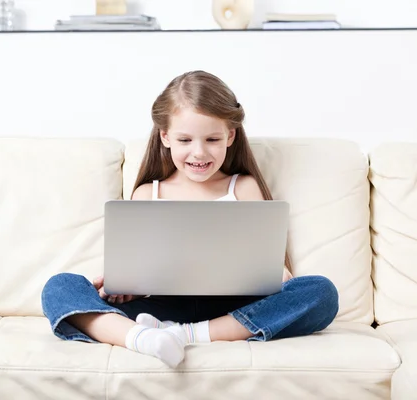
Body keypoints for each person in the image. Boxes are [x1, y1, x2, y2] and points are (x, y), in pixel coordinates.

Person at [41, 70, 339, 368]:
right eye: (185, 139)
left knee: (321, 292)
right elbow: (137, 268)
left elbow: (270, 264)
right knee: (60, 286)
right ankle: (142, 337)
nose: (199, 152)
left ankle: (183, 335)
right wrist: (124, 285)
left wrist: (278, 273)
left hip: (233, 309)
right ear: (165, 136)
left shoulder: (243, 187)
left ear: (230, 136)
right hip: (159, 305)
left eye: (212, 139)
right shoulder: (148, 193)